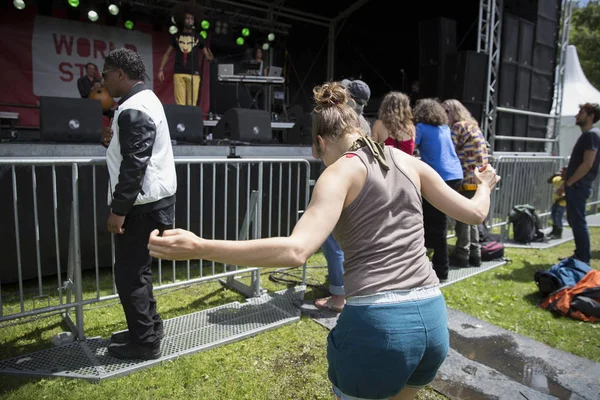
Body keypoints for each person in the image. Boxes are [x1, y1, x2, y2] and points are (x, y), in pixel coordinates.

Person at [147, 81, 500, 400]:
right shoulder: (410, 162)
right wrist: (483, 185)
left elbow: (296, 250)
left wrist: (201, 246)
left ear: (320, 142)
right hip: (433, 320)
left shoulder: (338, 173)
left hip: (381, 327)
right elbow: (474, 214)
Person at [101, 48, 177, 360]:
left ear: (120, 73)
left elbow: (135, 163)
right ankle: (147, 330)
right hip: (152, 201)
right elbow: (134, 152)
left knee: (130, 275)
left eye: (106, 74)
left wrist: (118, 210)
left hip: (141, 205)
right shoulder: (145, 100)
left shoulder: (134, 106)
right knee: (139, 272)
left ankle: (145, 342)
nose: (103, 81)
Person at [414, 99, 464, 281]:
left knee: (434, 223)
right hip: (455, 175)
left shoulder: (420, 127)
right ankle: (437, 266)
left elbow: (411, 147)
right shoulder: (444, 128)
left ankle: (440, 270)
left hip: (440, 176)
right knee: (437, 221)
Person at [443, 99, 489, 267]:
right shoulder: (472, 125)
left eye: (446, 112)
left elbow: (450, 149)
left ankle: (462, 254)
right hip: (478, 178)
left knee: (463, 218)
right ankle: (475, 254)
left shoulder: (458, 127)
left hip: (467, 177)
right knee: (472, 220)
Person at [557, 102, 600, 264]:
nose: (577, 115)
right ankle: (580, 255)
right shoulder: (589, 135)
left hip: (579, 187)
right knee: (575, 221)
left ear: (591, 117)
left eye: (581, 112)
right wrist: (568, 175)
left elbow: (588, 164)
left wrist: (570, 182)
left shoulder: (592, 135)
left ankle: (583, 258)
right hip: (576, 185)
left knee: (578, 222)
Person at [157, 9, 214, 105]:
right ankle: (181, 120)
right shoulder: (176, 36)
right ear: (183, 21)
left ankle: (190, 120)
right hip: (179, 73)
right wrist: (160, 70)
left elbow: (207, 56)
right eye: (187, 18)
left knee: (192, 105)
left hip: (194, 74)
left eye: (191, 19)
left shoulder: (198, 37)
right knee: (180, 105)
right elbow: (167, 53)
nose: (189, 20)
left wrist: (210, 57)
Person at [547, 171, 566, 239]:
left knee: (558, 218)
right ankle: (554, 231)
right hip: (555, 201)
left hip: (563, 203)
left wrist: (560, 199)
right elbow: (549, 181)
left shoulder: (569, 181)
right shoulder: (559, 179)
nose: (562, 172)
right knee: (553, 216)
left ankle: (559, 233)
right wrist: (554, 175)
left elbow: (568, 194)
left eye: (564, 171)